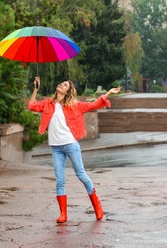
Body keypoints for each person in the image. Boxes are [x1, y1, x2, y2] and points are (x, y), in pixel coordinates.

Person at [28, 77, 121, 223]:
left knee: (81, 175)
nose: (61, 84)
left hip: (71, 145)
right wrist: (36, 89)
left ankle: (97, 205)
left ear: (67, 91)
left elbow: (94, 105)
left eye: (64, 85)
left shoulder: (75, 105)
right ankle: (63, 214)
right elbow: (32, 106)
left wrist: (108, 93)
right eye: (61, 83)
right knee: (60, 180)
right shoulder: (48, 103)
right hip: (56, 147)